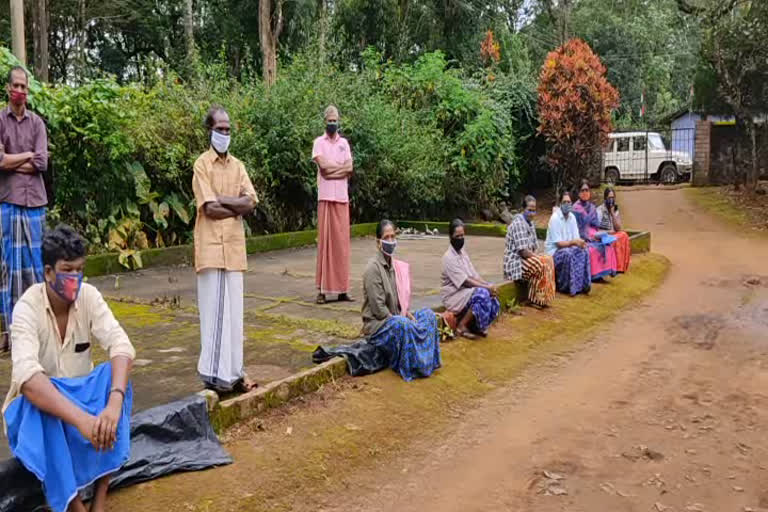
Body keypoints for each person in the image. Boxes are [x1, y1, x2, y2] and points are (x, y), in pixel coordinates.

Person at [2, 225, 135, 512]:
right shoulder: (26, 308)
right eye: (67, 270)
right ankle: (75, 507)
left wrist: (113, 402)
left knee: (117, 378)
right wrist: (82, 421)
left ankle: (99, 501)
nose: (74, 278)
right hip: (44, 408)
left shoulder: (88, 296)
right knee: (40, 403)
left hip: (79, 394)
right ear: (48, 272)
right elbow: (26, 377)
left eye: (79, 269)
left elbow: (120, 344)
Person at [192, 105, 258, 393]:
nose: (225, 133)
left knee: (234, 316)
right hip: (210, 250)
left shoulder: (238, 166)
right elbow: (209, 209)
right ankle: (213, 375)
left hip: (233, 250)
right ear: (210, 131)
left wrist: (225, 200)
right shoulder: (201, 165)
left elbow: (251, 202)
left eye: (228, 129)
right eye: (220, 129)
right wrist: (236, 204)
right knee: (214, 314)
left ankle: (233, 373)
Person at [0, 66, 49, 352]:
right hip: (8, 203)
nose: (20, 90)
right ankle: (10, 331)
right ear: (8, 88)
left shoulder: (37, 124)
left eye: (24, 86)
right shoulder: (0, 120)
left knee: (36, 269)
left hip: (35, 206)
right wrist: (28, 155)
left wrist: (13, 160)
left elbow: (42, 163)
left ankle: (38, 331)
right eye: (16, 85)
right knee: (9, 269)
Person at [362, 220, 441, 381]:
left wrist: (409, 316)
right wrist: (405, 320)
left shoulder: (396, 266)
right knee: (403, 325)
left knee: (429, 316)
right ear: (378, 242)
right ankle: (409, 367)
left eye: (393, 236)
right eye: (387, 237)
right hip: (378, 326)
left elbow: (401, 304)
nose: (391, 241)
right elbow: (379, 310)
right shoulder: (373, 269)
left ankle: (425, 364)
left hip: (398, 318)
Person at [312, 105, 354, 305]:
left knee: (342, 246)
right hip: (326, 198)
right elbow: (323, 167)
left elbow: (349, 168)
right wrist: (338, 170)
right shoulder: (318, 143)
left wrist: (332, 171)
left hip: (342, 198)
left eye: (335, 120)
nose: (332, 123)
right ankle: (322, 289)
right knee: (325, 244)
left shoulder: (344, 143)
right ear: (324, 121)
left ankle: (342, 290)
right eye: (329, 120)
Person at [441, 219, 500, 340]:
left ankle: (476, 327)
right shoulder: (448, 258)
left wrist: (489, 286)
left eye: (462, 235)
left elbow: (473, 275)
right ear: (450, 236)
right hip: (454, 296)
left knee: (493, 296)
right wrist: (485, 288)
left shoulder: (462, 253)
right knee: (482, 294)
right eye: (457, 236)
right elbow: (465, 281)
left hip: (465, 292)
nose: (461, 238)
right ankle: (461, 326)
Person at [503, 195, 556, 307]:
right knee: (540, 264)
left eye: (534, 210)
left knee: (549, 259)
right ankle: (534, 299)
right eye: (529, 210)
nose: (532, 213)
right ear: (523, 209)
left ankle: (544, 298)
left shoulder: (530, 223)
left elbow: (534, 247)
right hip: (515, 262)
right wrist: (538, 258)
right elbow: (523, 252)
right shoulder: (518, 224)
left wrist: (540, 257)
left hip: (525, 259)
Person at [546, 191, 592, 296]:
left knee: (584, 251)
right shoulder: (555, 218)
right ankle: (568, 287)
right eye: (564, 202)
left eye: (569, 202)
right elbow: (558, 244)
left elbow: (576, 238)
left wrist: (580, 243)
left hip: (569, 247)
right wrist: (573, 242)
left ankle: (583, 285)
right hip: (554, 252)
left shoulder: (572, 217)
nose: (567, 204)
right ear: (560, 204)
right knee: (568, 254)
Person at [572, 180, 618, 281]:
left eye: (587, 190)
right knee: (592, 249)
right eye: (582, 190)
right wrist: (588, 236)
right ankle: (593, 276)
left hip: (594, 234)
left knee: (607, 245)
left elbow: (596, 225)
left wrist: (598, 234)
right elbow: (575, 228)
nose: (585, 193)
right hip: (581, 236)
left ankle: (601, 274)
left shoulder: (592, 207)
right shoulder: (575, 209)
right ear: (579, 193)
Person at [597, 187, 631, 273]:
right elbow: (596, 229)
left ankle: (621, 266)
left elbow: (618, 228)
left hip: (613, 233)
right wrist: (608, 232)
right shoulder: (600, 210)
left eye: (613, 198)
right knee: (614, 239)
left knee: (624, 235)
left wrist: (612, 213)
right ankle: (615, 267)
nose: (611, 200)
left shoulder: (615, 209)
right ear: (605, 198)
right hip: (604, 234)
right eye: (609, 198)